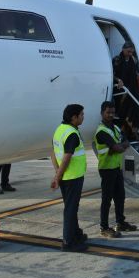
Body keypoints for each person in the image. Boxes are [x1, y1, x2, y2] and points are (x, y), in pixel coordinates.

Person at [94, 101, 138, 238]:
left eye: (113, 112)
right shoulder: (101, 131)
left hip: (116, 167)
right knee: (106, 199)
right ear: (102, 113)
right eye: (108, 112)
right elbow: (120, 147)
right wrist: (118, 147)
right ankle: (104, 227)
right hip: (106, 169)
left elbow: (126, 143)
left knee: (120, 197)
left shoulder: (116, 128)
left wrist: (118, 147)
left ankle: (120, 222)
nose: (111, 115)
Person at [51, 104, 88, 252]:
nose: (83, 117)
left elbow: (53, 153)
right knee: (71, 209)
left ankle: (76, 234)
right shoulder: (71, 133)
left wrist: (57, 175)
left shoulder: (59, 130)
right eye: (81, 115)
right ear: (74, 117)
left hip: (66, 177)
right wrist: (58, 176)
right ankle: (68, 242)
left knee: (71, 207)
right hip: (73, 177)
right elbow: (66, 157)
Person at [113, 41, 139, 138]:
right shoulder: (117, 60)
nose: (130, 54)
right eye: (128, 51)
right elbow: (112, 74)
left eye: (132, 52)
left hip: (133, 87)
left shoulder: (133, 60)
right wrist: (118, 80)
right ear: (123, 49)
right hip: (122, 89)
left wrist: (138, 75)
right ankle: (122, 130)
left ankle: (134, 130)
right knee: (123, 111)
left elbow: (137, 71)